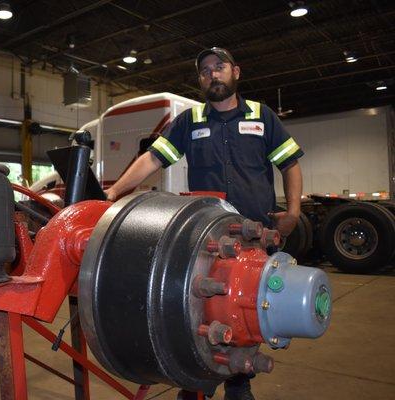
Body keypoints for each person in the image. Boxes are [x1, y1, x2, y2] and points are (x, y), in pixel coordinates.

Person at [104, 47, 304, 400]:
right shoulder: (190, 121)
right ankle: (194, 381)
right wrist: (116, 190)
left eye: (220, 67)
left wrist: (293, 212)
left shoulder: (263, 116)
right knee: (196, 307)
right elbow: (153, 158)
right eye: (205, 71)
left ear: (236, 72)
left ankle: (239, 382)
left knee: (246, 312)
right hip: (207, 236)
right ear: (200, 80)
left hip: (253, 235)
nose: (213, 74)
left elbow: (290, 164)